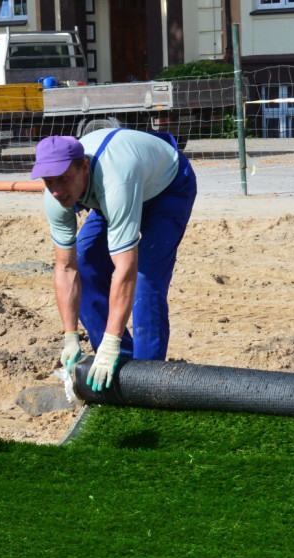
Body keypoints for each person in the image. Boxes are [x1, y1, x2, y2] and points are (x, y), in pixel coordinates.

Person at [30, 129, 197, 391]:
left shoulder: (116, 182)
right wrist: (70, 336)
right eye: (49, 182)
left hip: (168, 189)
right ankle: (120, 365)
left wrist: (111, 340)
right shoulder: (56, 197)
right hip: (112, 193)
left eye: (63, 179)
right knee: (85, 263)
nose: (57, 191)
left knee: (145, 279)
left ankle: (146, 380)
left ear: (84, 167)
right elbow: (66, 266)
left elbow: (125, 268)